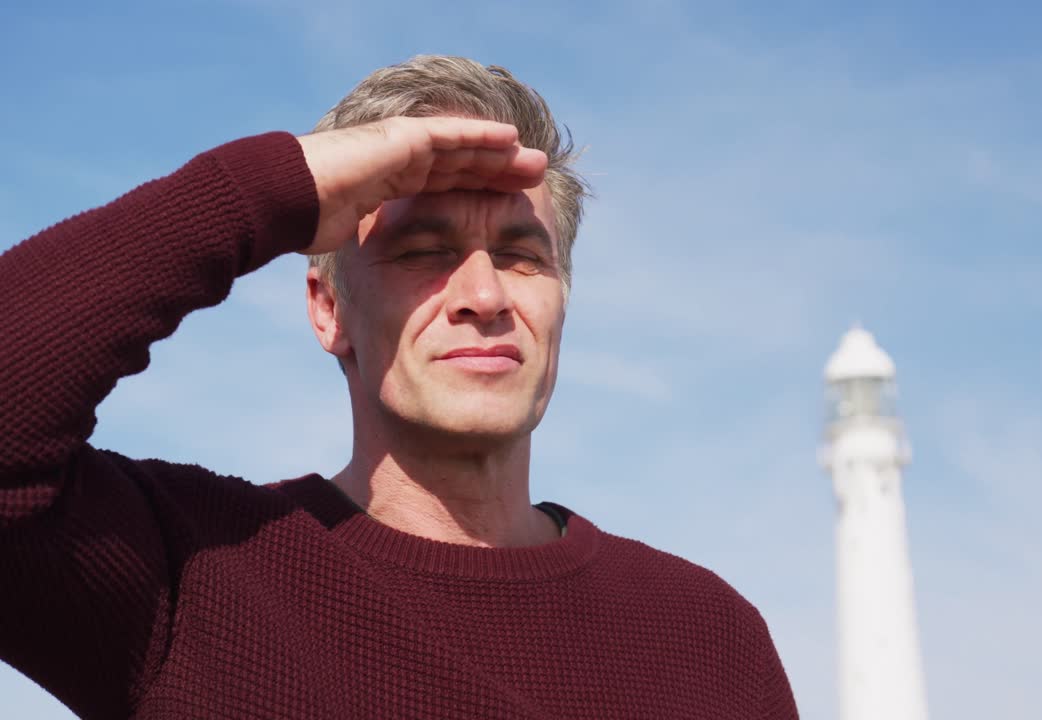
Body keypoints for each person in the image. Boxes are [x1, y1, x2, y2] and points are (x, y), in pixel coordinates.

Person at [0, 55, 798, 718]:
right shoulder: (193, 575)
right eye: (423, 251)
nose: (484, 296)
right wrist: (276, 187)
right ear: (328, 309)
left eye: (522, 256)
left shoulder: (708, 634)